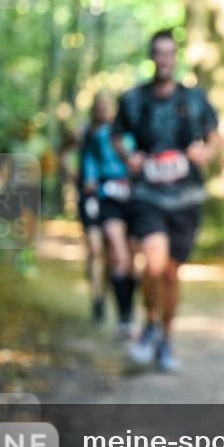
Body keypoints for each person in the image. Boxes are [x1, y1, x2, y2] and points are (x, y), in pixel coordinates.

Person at [112, 29, 220, 372]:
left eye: (170, 53)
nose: (164, 59)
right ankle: (148, 327)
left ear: (176, 57)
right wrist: (129, 157)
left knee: (171, 275)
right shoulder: (133, 100)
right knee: (154, 265)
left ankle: (165, 339)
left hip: (186, 197)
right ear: (151, 57)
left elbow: (215, 138)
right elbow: (116, 136)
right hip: (148, 195)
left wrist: (205, 152)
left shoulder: (195, 99)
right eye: (158, 53)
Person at [82, 92, 138, 340]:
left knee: (131, 260)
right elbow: (90, 161)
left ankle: (128, 313)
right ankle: (119, 316)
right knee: (116, 253)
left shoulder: (135, 133)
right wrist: (89, 179)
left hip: (133, 198)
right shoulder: (98, 135)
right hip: (107, 197)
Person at [61, 104, 107, 323]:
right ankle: (97, 297)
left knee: (111, 252)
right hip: (89, 197)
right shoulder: (82, 132)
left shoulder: (117, 133)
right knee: (95, 249)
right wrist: (73, 175)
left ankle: (105, 291)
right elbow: (62, 152)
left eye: (108, 107)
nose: (104, 111)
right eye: (101, 107)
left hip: (113, 197)